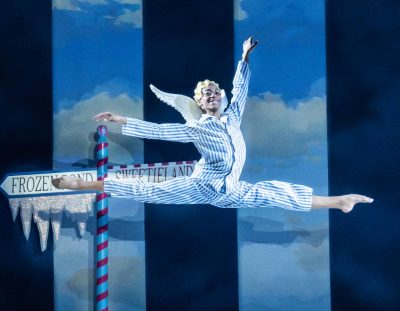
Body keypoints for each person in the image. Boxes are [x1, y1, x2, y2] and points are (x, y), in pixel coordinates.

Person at [53, 37, 373, 213]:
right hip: (201, 186)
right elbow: (161, 131)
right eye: (206, 94)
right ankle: (82, 184)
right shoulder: (198, 128)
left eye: (216, 91)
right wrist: (122, 120)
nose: (213, 95)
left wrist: (244, 58)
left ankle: (339, 202)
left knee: (274, 192)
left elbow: (240, 90)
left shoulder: (232, 116)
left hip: (230, 190)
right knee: (147, 190)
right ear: (200, 103)